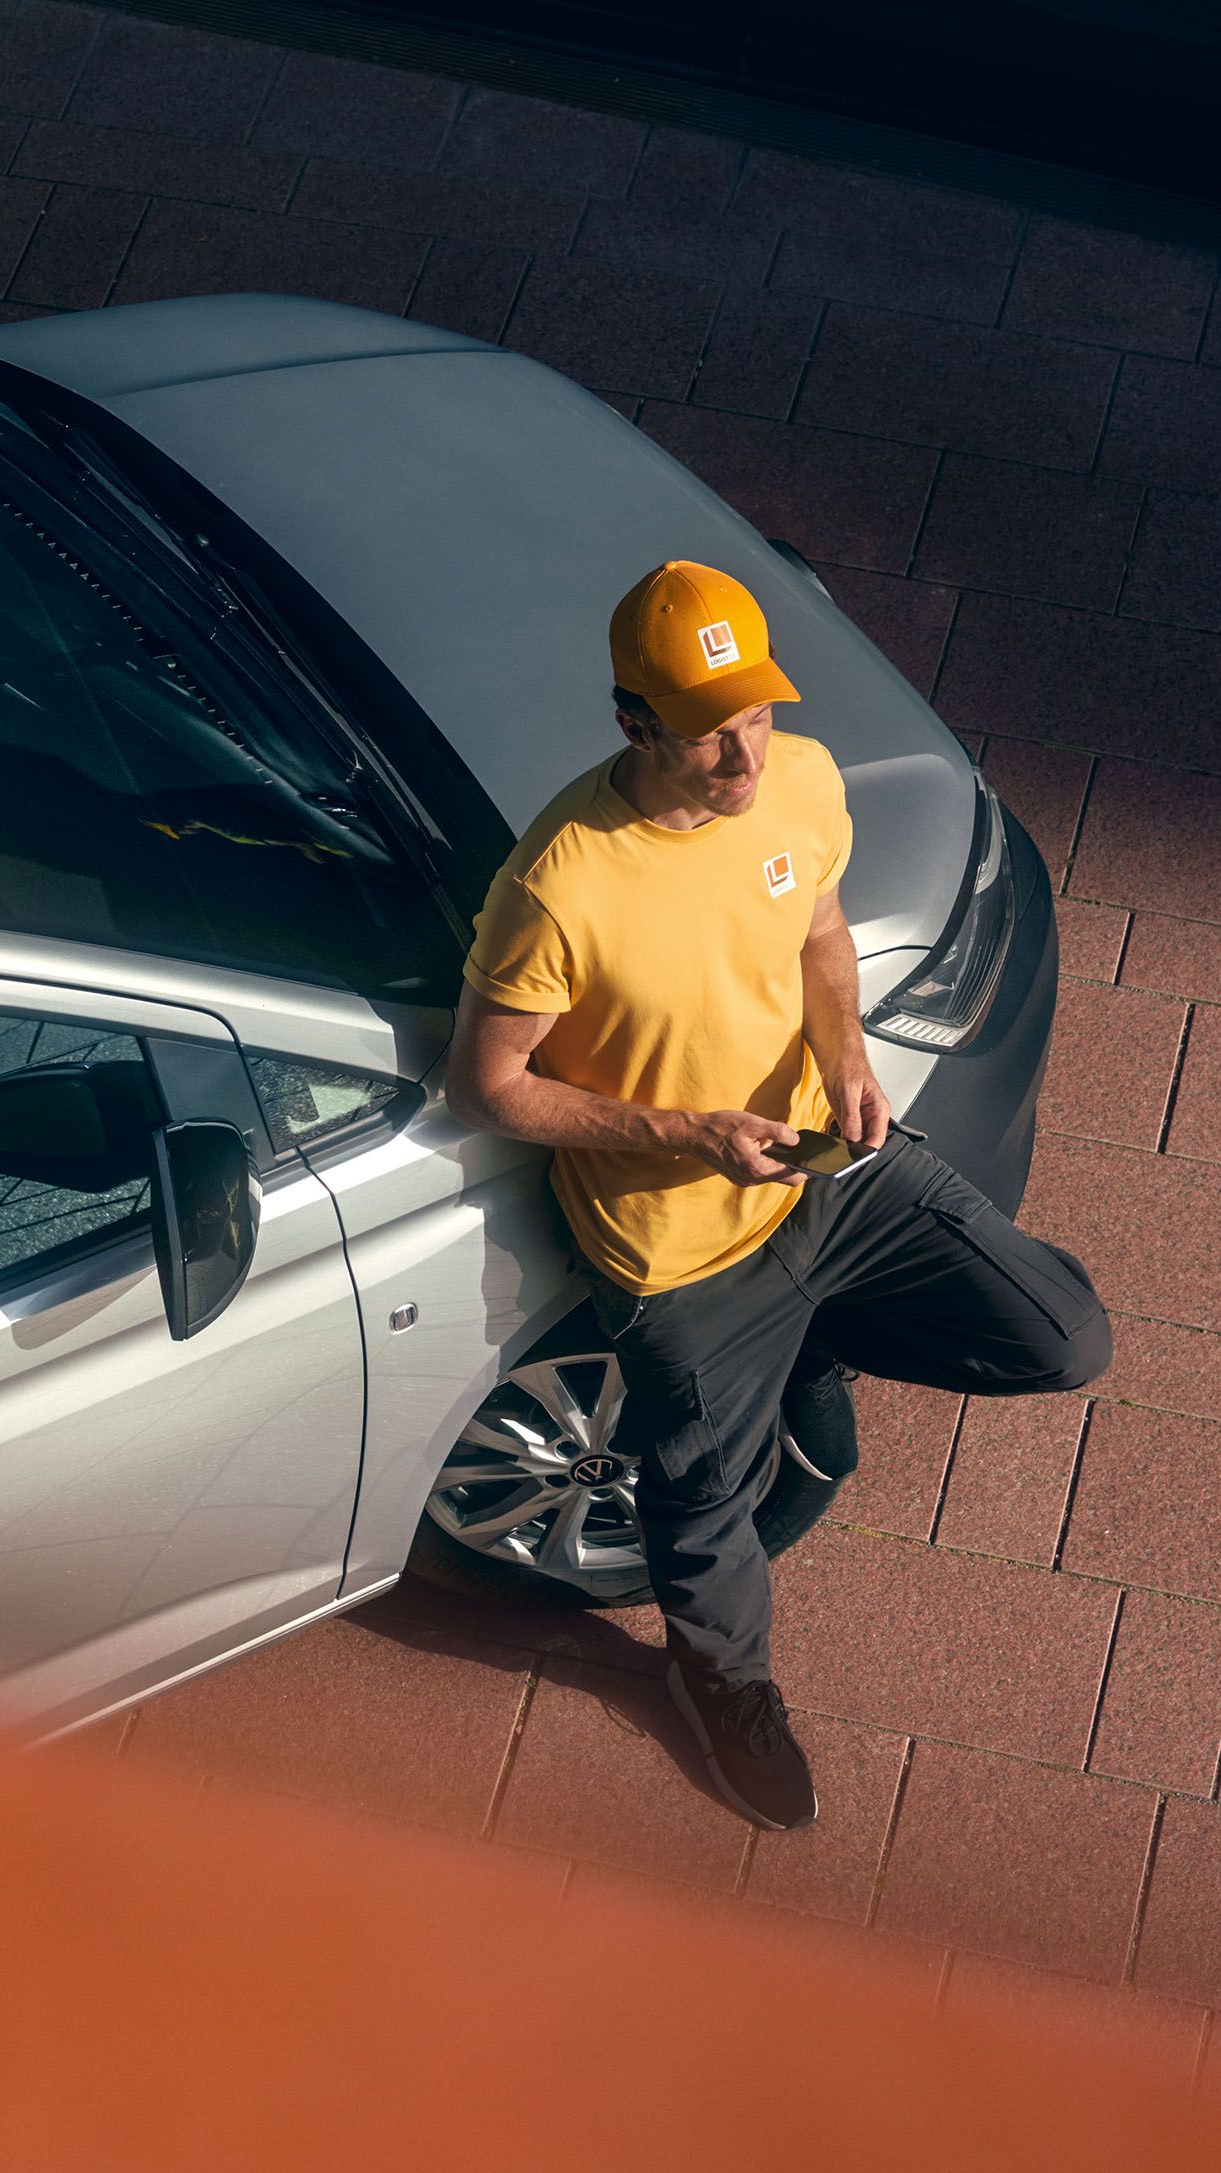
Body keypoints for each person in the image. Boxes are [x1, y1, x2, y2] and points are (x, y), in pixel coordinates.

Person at [447, 561, 1110, 1829]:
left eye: (754, 714)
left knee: (1062, 1338)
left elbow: (814, 933)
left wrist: (847, 1055)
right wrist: (680, 1130)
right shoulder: (561, 884)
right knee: (703, 1522)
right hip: (676, 1254)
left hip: (824, 1176)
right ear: (631, 720)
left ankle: (805, 1342)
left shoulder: (798, 782)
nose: (742, 754)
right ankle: (722, 1691)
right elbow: (486, 1085)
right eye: (707, 729)